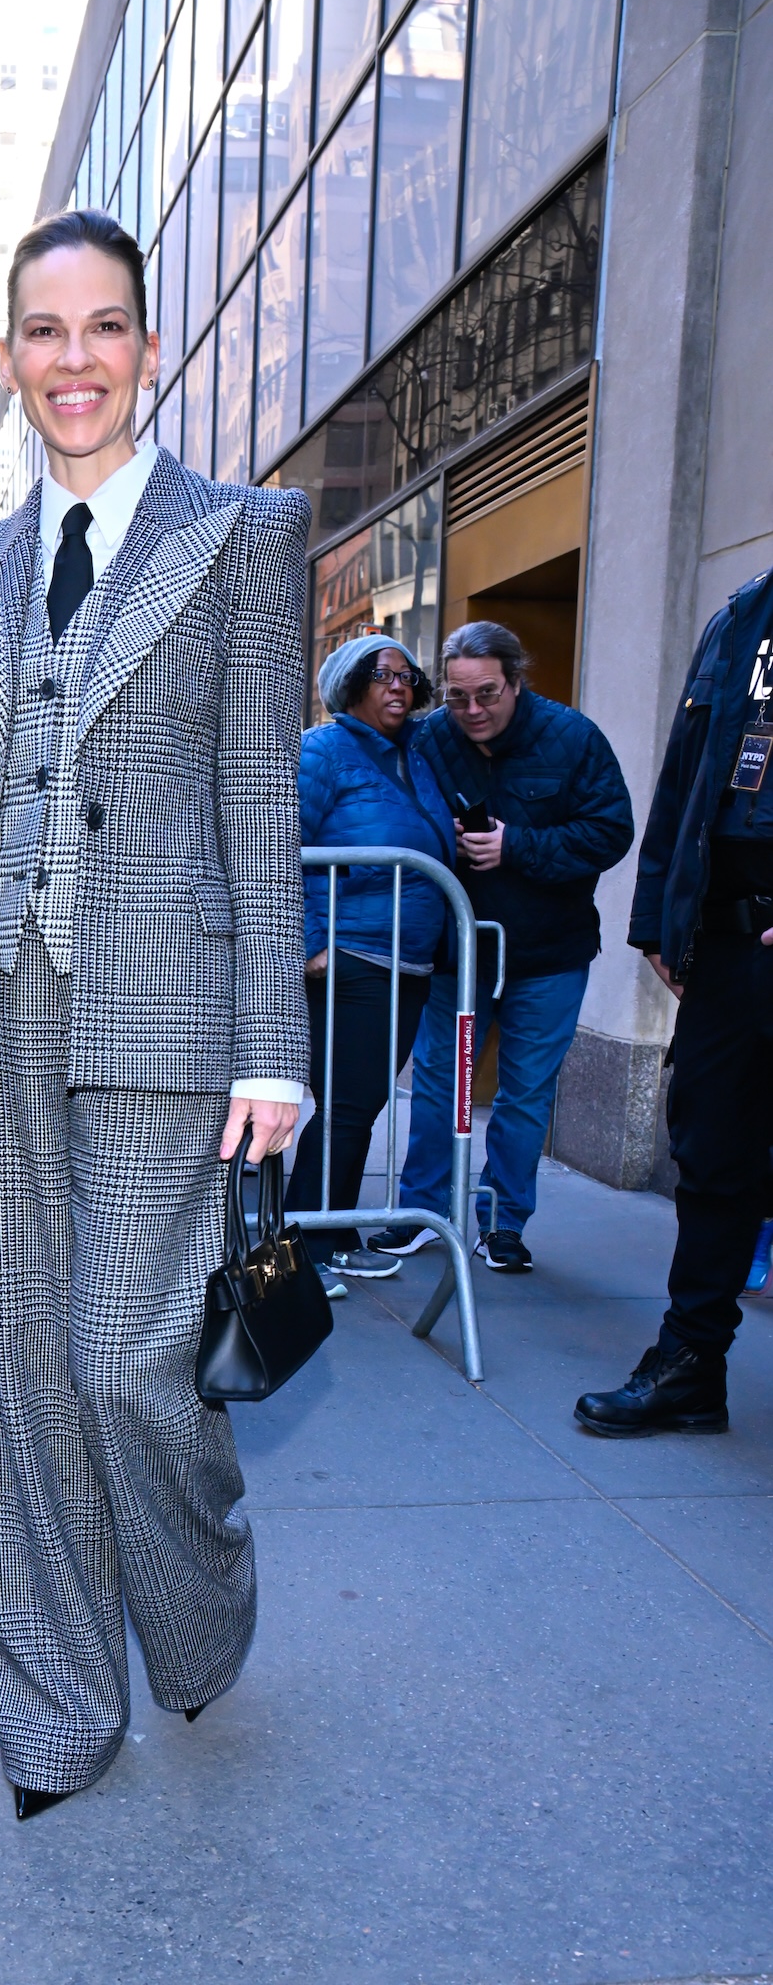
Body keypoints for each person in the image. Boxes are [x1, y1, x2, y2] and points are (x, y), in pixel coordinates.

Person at [0, 208, 309, 1818]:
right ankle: (54, 1711)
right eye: (46, 332)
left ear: (149, 346)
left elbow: (260, 793)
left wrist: (275, 1048)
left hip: (172, 1018)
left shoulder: (243, 535)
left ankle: (198, 1616)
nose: (75, 360)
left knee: (122, 1364)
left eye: (105, 327)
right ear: (14, 356)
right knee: (4, 1386)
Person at [576, 563, 773, 1436]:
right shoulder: (743, 614)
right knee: (714, 1153)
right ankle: (691, 1364)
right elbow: (687, 774)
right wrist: (657, 915)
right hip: (730, 946)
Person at [370, 621, 633, 1271]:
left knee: (523, 1094)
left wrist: (516, 846)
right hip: (454, 954)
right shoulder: (429, 737)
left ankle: (502, 1223)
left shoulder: (571, 737)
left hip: (547, 954)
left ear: (516, 681)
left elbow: (609, 832)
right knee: (437, 1083)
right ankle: (420, 1212)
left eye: (486, 694)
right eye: (458, 698)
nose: (473, 711)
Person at [286, 635, 454, 1281]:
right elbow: (279, 846)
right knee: (349, 1105)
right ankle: (307, 1247)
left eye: (407, 676)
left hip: (407, 962)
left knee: (360, 1105)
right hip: (350, 957)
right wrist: (310, 944)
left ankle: (330, 1228)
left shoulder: (415, 755)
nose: (399, 687)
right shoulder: (322, 750)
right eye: (383, 676)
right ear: (350, 684)